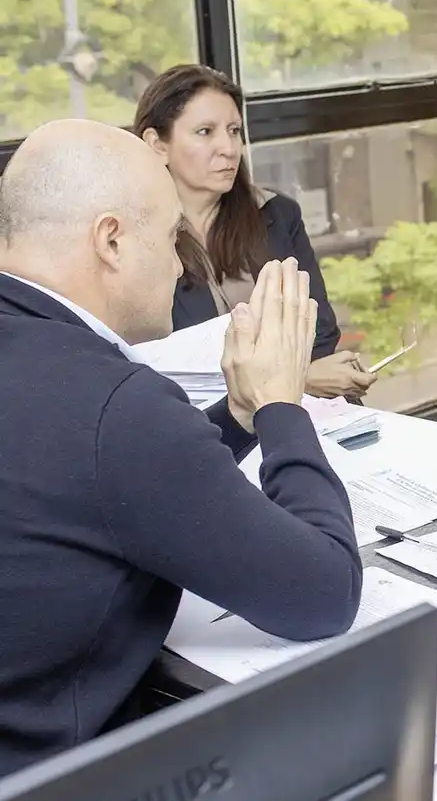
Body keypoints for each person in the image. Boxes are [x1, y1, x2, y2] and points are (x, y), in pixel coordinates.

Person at [0, 119, 362, 777]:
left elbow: (117, 485)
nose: (181, 265)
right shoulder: (113, 403)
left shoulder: (44, 364)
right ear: (111, 240)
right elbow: (323, 592)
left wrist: (241, 414)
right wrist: (283, 405)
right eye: (171, 238)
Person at [133, 64, 377, 400]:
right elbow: (157, 368)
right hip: (198, 428)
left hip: (304, 417)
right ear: (157, 144)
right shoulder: (134, 239)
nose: (229, 148)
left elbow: (319, 333)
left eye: (234, 131)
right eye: (205, 132)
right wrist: (300, 379)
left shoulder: (276, 213)